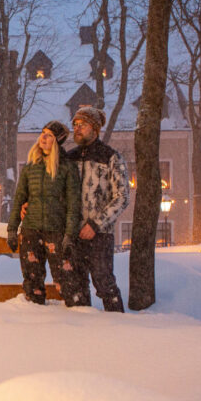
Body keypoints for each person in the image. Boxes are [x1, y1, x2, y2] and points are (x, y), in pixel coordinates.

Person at [7, 121, 81, 305]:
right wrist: (12, 228)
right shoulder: (31, 166)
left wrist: (70, 234)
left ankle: (78, 319)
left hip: (56, 231)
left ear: (57, 141)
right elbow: (19, 198)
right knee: (32, 282)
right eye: (42, 132)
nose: (43, 137)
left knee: (65, 280)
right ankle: (35, 320)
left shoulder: (67, 167)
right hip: (31, 229)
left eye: (49, 135)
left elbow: (74, 203)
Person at [67, 106, 129, 312]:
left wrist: (95, 224)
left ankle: (118, 326)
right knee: (76, 288)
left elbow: (122, 197)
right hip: (72, 233)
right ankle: (82, 334)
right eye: (75, 125)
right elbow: (55, 191)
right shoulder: (69, 158)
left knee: (104, 284)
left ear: (94, 128)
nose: (77, 129)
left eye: (82, 125)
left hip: (100, 234)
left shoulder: (111, 157)